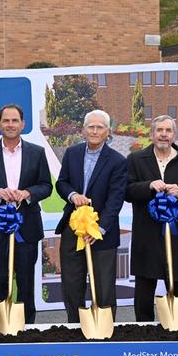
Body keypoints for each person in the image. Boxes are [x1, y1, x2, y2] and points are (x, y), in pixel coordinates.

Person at [0, 104, 52, 324]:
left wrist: (27, 193)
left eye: (14, 120)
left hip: (27, 228)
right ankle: (3, 326)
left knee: (26, 282)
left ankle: (27, 328)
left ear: (23, 124)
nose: (10, 125)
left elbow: (46, 186)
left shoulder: (37, 153)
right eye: (6, 121)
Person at [126, 115, 178, 321]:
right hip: (146, 234)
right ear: (151, 134)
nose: (163, 134)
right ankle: (143, 329)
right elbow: (126, 191)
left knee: (176, 285)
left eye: (168, 130)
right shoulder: (135, 160)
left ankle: (175, 327)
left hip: (177, 234)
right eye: (159, 130)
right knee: (144, 286)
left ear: (174, 135)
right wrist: (148, 186)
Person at [55, 109, 127, 323]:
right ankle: (75, 326)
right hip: (73, 229)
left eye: (100, 127)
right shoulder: (72, 153)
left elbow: (116, 199)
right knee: (72, 283)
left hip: (102, 233)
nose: (95, 131)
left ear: (108, 132)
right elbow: (61, 183)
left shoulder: (117, 161)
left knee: (104, 286)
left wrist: (100, 229)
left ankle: (103, 330)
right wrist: (72, 195)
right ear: (84, 130)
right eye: (91, 127)